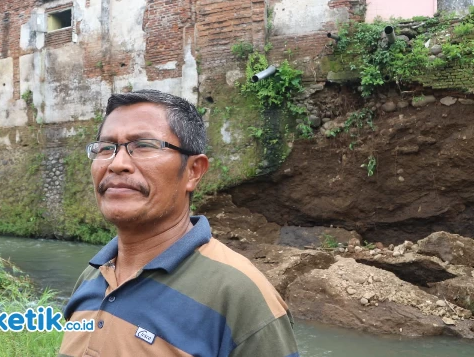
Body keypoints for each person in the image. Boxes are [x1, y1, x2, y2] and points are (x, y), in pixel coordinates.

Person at [58, 90, 299, 357]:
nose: (117, 164)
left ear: (193, 171)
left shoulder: (239, 295)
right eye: (106, 148)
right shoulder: (93, 276)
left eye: (144, 146)